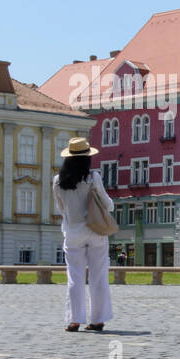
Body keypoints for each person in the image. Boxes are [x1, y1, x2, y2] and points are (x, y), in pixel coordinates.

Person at [52, 137, 114, 333]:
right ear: (87, 158)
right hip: (96, 232)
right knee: (99, 276)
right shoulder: (93, 177)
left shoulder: (58, 180)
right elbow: (107, 204)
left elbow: (60, 208)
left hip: (73, 234)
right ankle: (98, 320)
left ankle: (74, 320)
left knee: (75, 277)